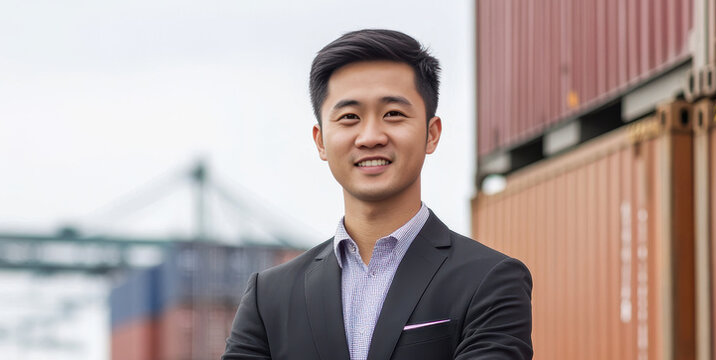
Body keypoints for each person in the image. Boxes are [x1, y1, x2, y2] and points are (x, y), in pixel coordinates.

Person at [222, 29, 533, 360]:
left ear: (431, 133)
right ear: (321, 141)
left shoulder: (490, 280)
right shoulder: (268, 297)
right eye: (349, 118)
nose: (370, 137)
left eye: (393, 114)